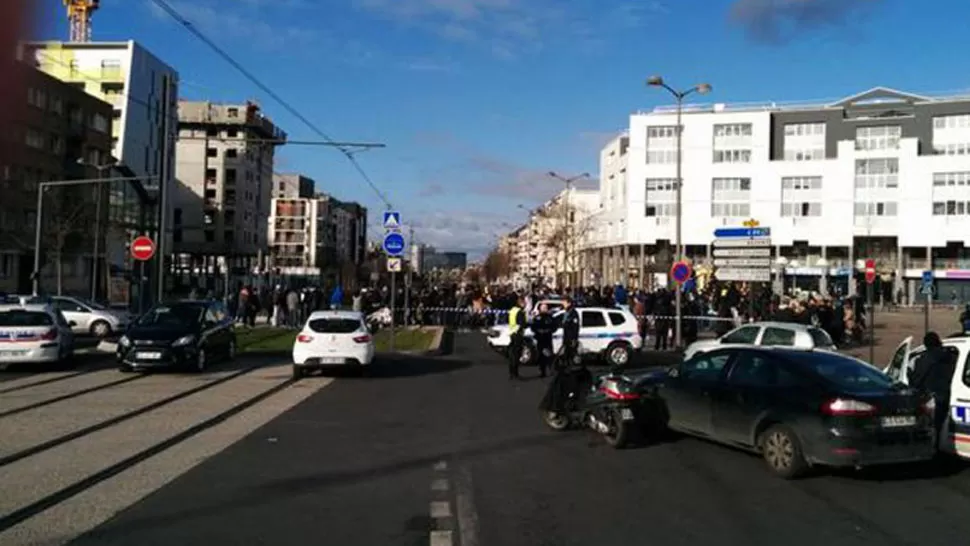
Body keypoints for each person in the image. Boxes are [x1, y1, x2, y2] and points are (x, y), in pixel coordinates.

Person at [909, 331, 958, 445]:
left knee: (933, 429)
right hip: (948, 396)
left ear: (926, 344)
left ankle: (936, 451)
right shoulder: (951, 357)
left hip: (932, 399)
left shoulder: (923, 359)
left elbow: (917, 381)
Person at [530, 302, 556, 378]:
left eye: (546, 308)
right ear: (540, 309)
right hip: (540, 339)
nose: (544, 309)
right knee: (541, 356)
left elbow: (555, 327)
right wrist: (538, 331)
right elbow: (533, 327)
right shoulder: (537, 318)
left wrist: (549, 330)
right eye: (543, 308)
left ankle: (551, 370)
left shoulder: (551, 318)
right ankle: (542, 372)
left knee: (549, 355)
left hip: (548, 338)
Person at [507, 295, 526, 380]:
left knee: (512, 355)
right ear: (520, 302)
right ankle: (515, 374)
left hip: (512, 333)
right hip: (518, 334)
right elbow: (522, 324)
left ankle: (511, 373)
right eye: (524, 302)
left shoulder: (512, 310)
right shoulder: (520, 312)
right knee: (517, 355)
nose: (525, 304)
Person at [560, 296, 581, 370]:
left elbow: (575, 327)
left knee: (571, 354)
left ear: (569, 303)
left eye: (564, 303)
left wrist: (574, 339)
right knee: (567, 355)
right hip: (566, 338)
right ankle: (568, 368)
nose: (563, 304)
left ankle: (572, 369)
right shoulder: (567, 312)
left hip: (571, 338)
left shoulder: (573, 313)